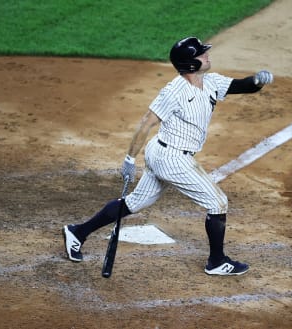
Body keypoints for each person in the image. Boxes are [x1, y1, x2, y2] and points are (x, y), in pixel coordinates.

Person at [63, 36, 273, 276]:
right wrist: (129, 159)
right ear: (190, 64)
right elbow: (146, 123)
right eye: (201, 54)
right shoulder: (174, 91)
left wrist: (257, 81)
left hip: (164, 152)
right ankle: (216, 261)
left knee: (135, 203)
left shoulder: (211, 82)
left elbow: (242, 85)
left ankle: (77, 232)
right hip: (171, 158)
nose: (206, 55)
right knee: (217, 202)